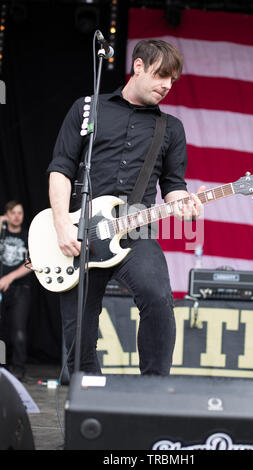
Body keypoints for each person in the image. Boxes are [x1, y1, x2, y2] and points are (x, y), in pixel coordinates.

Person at [47, 39, 203, 377]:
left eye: (173, 80)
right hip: (80, 228)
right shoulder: (88, 108)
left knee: (159, 300)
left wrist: (186, 206)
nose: (167, 86)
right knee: (79, 325)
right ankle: (88, 392)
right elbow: (60, 167)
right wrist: (61, 223)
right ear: (138, 67)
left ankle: (152, 391)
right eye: (162, 75)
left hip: (136, 228)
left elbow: (174, 188)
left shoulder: (171, 128)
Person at [0, 200, 32, 381]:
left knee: (18, 331)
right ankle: (2, 368)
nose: (16, 216)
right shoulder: (2, 234)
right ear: (7, 214)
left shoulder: (27, 236)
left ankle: (19, 370)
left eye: (20, 213)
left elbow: (31, 263)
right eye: (13, 213)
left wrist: (9, 277)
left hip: (20, 288)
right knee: (1, 333)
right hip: (1, 290)